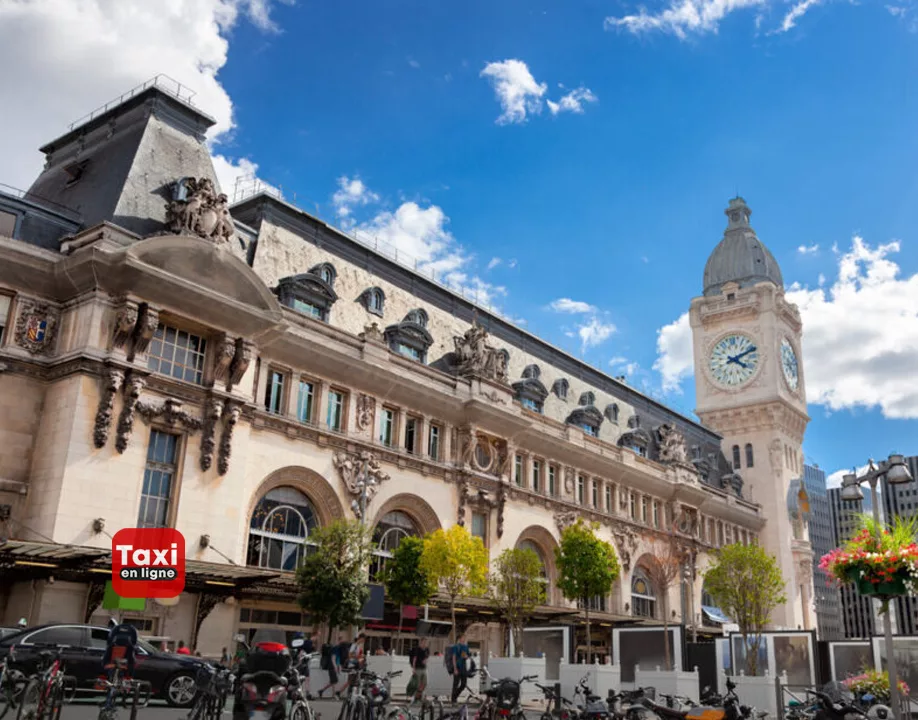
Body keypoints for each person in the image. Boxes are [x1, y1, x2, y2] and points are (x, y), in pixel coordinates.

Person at [102, 616, 138, 680]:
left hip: (113, 664)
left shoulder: (111, 646)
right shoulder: (130, 648)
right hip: (125, 664)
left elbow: (105, 661)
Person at [450, 632, 470, 703]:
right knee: (455, 684)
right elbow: (453, 657)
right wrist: (455, 668)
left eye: (465, 638)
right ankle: (453, 700)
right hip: (457, 667)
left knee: (463, 684)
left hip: (464, 668)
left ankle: (455, 696)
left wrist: (466, 656)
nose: (464, 639)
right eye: (463, 637)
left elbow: (468, 656)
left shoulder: (465, 647)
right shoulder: (456, 647)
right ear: (460, 639)